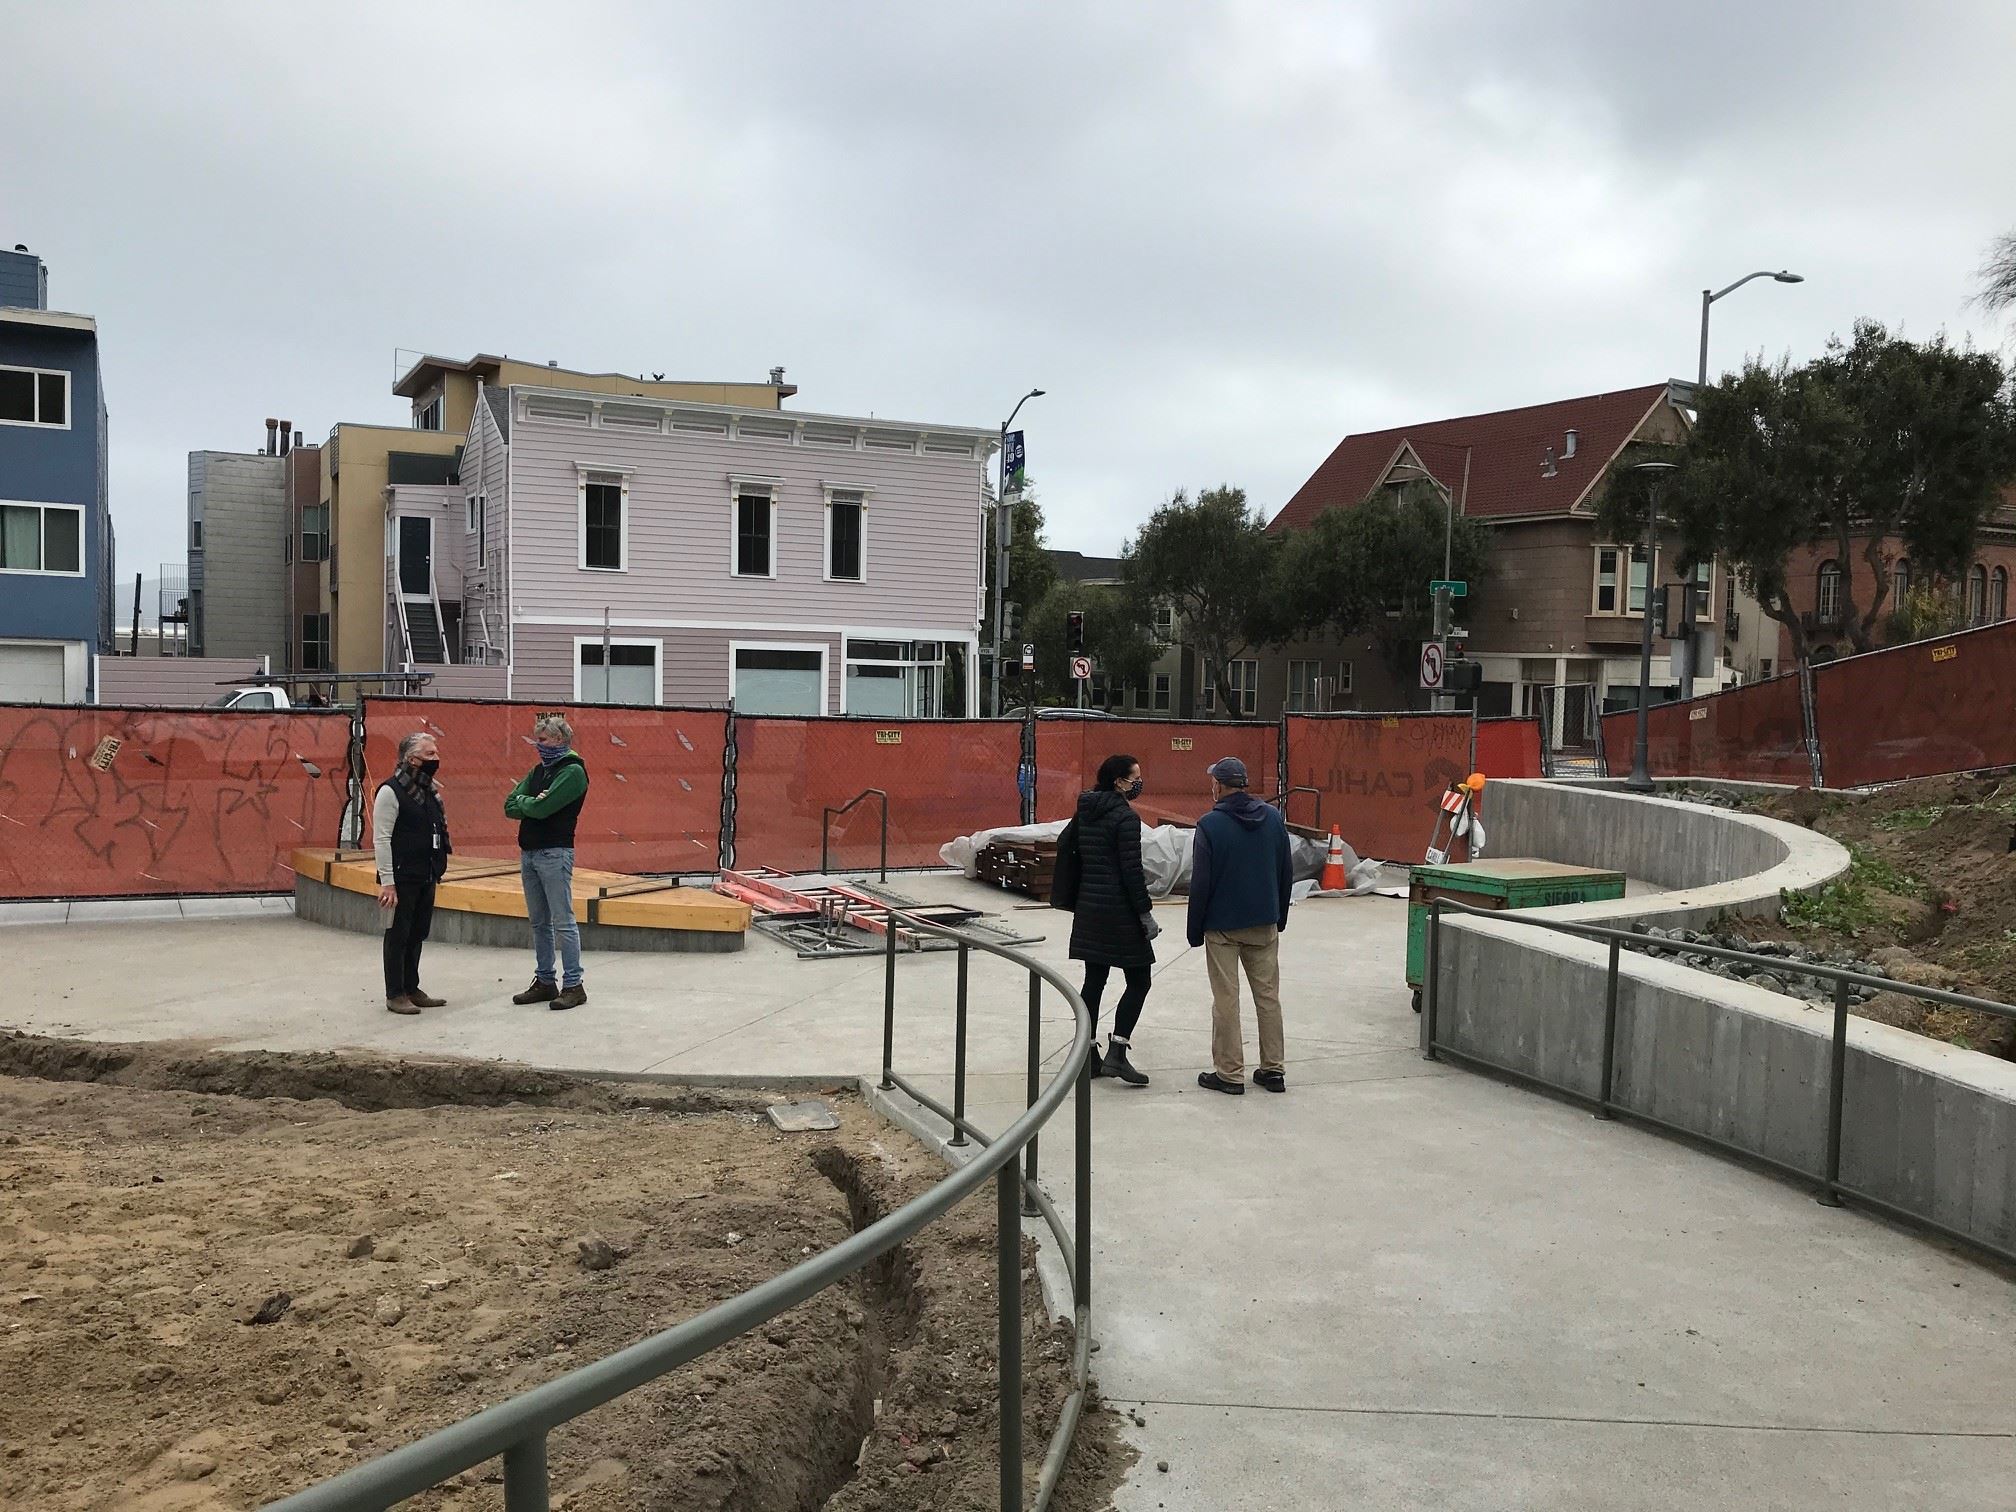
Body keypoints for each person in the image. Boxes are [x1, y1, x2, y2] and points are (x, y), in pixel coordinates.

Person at [1187, 756, 1293, 1095]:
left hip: (1222, 927)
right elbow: (1285, 871)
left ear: (1217, 785)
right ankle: (1273, 1070)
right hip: (1264, 921)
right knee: (1268, 997)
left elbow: (1201, 882)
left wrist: (1194, 929)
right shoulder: (1274, 819)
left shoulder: (1209, 825)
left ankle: (1230, 1073)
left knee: (1226, 999)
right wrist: (1280, 916)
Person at [1065, 753, 1159, 1086]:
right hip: (1119, 912)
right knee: (1140, 980)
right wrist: (1145, 914)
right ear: (1119, 781)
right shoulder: (1126, 818)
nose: (1138, 784)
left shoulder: (1087, 809)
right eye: (1135, 778)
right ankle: (1117, 1052)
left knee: (1094, 981)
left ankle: (1088, 1056)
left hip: (1090, 908)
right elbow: (1131, 872)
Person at [505, 713, 591, 1010]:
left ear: (559, 739)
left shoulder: (573, 771)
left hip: (555, 852)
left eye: (542, 740)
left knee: (563, 921)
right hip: (529, 852)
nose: (537, 745)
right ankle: (544, 980)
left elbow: (543, 809)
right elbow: (509, 805)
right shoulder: (539, 770)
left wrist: (529, 804)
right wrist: (533, 802)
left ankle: (573, 984)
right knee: (539, 922)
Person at [374, 731, 450, 1015]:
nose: (436, 759)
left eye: (436, 753)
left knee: (417, 932)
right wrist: (388, 882)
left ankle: (411, 987)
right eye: (429, 755)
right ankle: (395, 993)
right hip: (401, 876)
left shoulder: (430, 791)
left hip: (426, 874)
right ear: (411, 759)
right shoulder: (390, 791)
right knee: (398, 934)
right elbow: (381, 839)